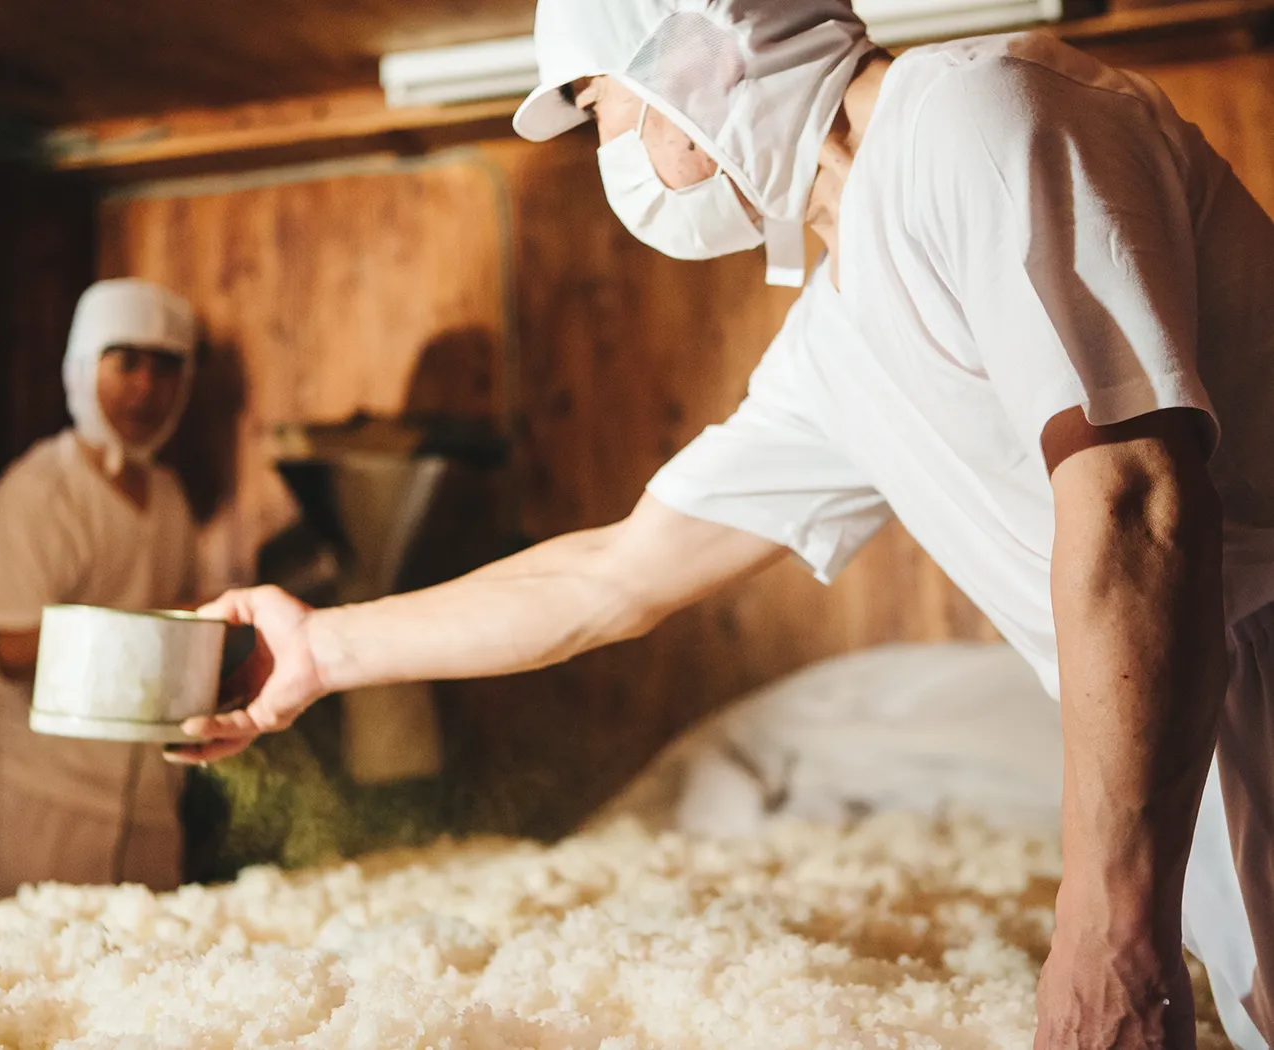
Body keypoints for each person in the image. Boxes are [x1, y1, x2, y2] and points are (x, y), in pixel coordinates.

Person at [167, 1, 1274, 1046]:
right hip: (1208, 750)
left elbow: (1135, 503)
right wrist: (319, 649)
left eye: (599, 109)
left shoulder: (974, 117)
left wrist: (1106, 934)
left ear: (698, 64)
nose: (606, 154)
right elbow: (614, 577)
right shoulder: (840, 342)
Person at [0, 278, 200, 898]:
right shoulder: (39, 492)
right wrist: (161, 630)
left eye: (166, 367)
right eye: (125, 362)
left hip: (152, 808)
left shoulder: (172, 500)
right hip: (47, 803)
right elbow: (14, 651)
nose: (146, 389)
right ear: (81, 365)